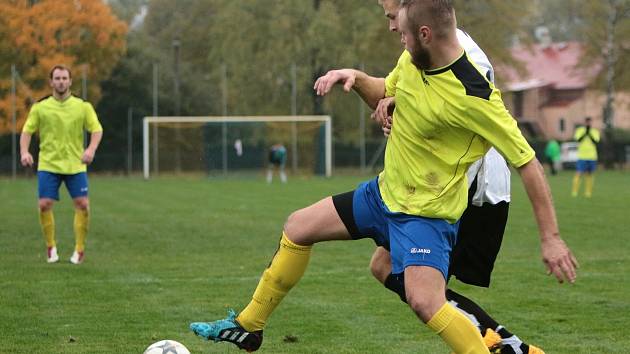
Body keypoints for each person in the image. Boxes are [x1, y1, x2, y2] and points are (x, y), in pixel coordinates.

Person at [190, 1, 577, 353]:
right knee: (298, 227)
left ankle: (498, 346)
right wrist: (356, 77)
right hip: (382, 195)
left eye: (402, 29)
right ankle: (249, 326)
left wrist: (552, 238)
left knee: (427, 302)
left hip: (423, 215)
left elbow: (527, 162)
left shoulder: (474, 94)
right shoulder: (414, 61)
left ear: (424, 33)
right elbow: (385, 91)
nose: (397, 35)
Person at [365, 1, 542, 353]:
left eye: (391, 16)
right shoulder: (427, 49)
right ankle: (505, 345)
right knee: (389, 270)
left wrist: (550, 239)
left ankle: (504, 345)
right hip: (451, 185)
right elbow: (426, 96)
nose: (390, 27)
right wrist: (394, 99)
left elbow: (466, 115)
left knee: (412, 285)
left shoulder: (463, 57)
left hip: (467, 186)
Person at [20, 65, 103, 265]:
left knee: (83, 204)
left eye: (64, 78)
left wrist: (90, 150)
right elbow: (27, 131)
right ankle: (51, 247)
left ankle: (79, 249)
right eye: (57, 78)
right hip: (48, 164)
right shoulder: (40, 107)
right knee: (44, 205)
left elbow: (97, 129)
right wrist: (24, 151)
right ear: (51, 82)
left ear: (70, 81)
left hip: (76, 164)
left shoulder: (83, 106)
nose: (61, 82)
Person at [571, 117, 600, 197]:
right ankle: (574, 191)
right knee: (578, 173)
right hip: (582, 156)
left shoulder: (594, 131)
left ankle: (588, 192)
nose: (588, 124)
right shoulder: (580, 130)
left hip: (592, 156)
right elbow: (578, 140)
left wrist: (589, 133)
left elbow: (595, 141)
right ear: (584, 122)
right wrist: (585, 133)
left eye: (589, 122)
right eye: (587, 122)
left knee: (589, 174)